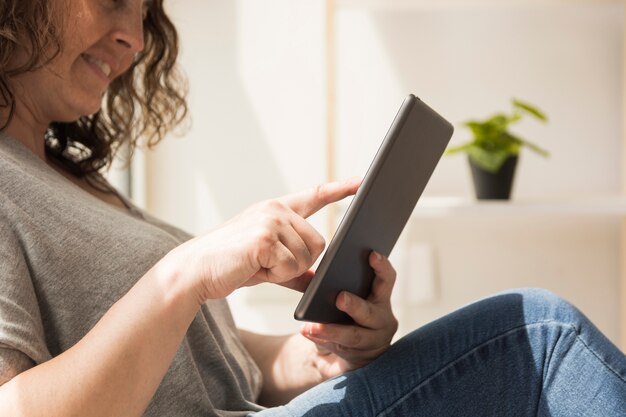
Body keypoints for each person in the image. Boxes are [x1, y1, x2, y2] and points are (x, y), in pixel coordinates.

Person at [0, 1, 624, 416]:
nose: (134, 38)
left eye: (144, 12)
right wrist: (184, 273)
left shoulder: (75, 181)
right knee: (541, 337)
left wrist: (324, 354)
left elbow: (212, 365)